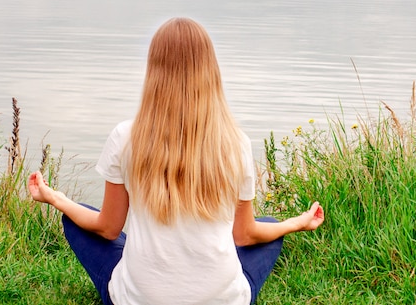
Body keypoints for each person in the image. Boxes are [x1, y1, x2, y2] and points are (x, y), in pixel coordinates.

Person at [28, 17, 325, 305]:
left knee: (77, 218)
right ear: (210, 70)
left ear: (153, 70)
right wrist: (294, 223)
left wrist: (56, 198)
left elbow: (108, 228)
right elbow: (245, 235)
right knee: (270, 227)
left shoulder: (125, 136)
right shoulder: (236, 143)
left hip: (137, 300)